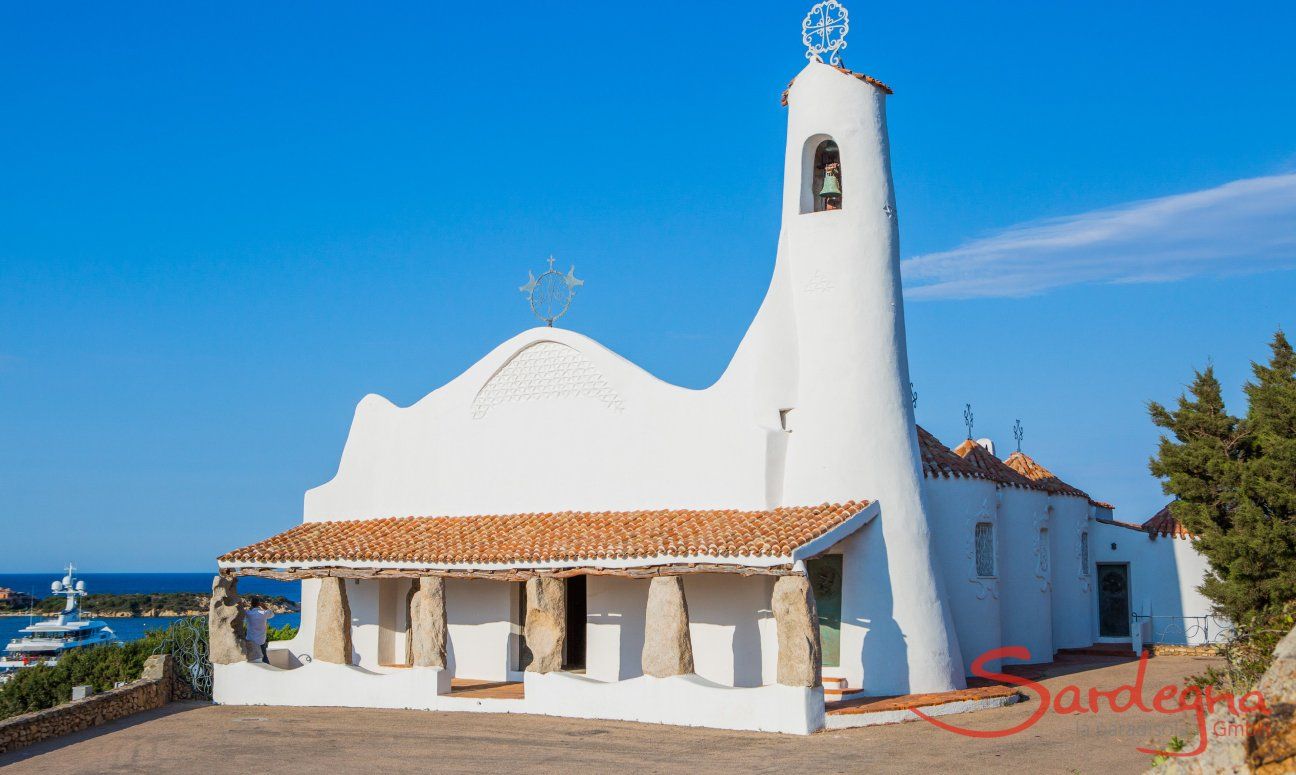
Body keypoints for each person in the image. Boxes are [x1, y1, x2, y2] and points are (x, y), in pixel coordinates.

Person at [243, 596, 275, 663]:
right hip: (261, 640)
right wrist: (264, 606)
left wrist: (250, 606)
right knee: (264, 658)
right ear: (259, 604)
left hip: (250, 640)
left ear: (251, 604)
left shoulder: (248, 613)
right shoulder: (264, 613)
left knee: (250, 660)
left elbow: (244, 612)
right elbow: (272, 614)